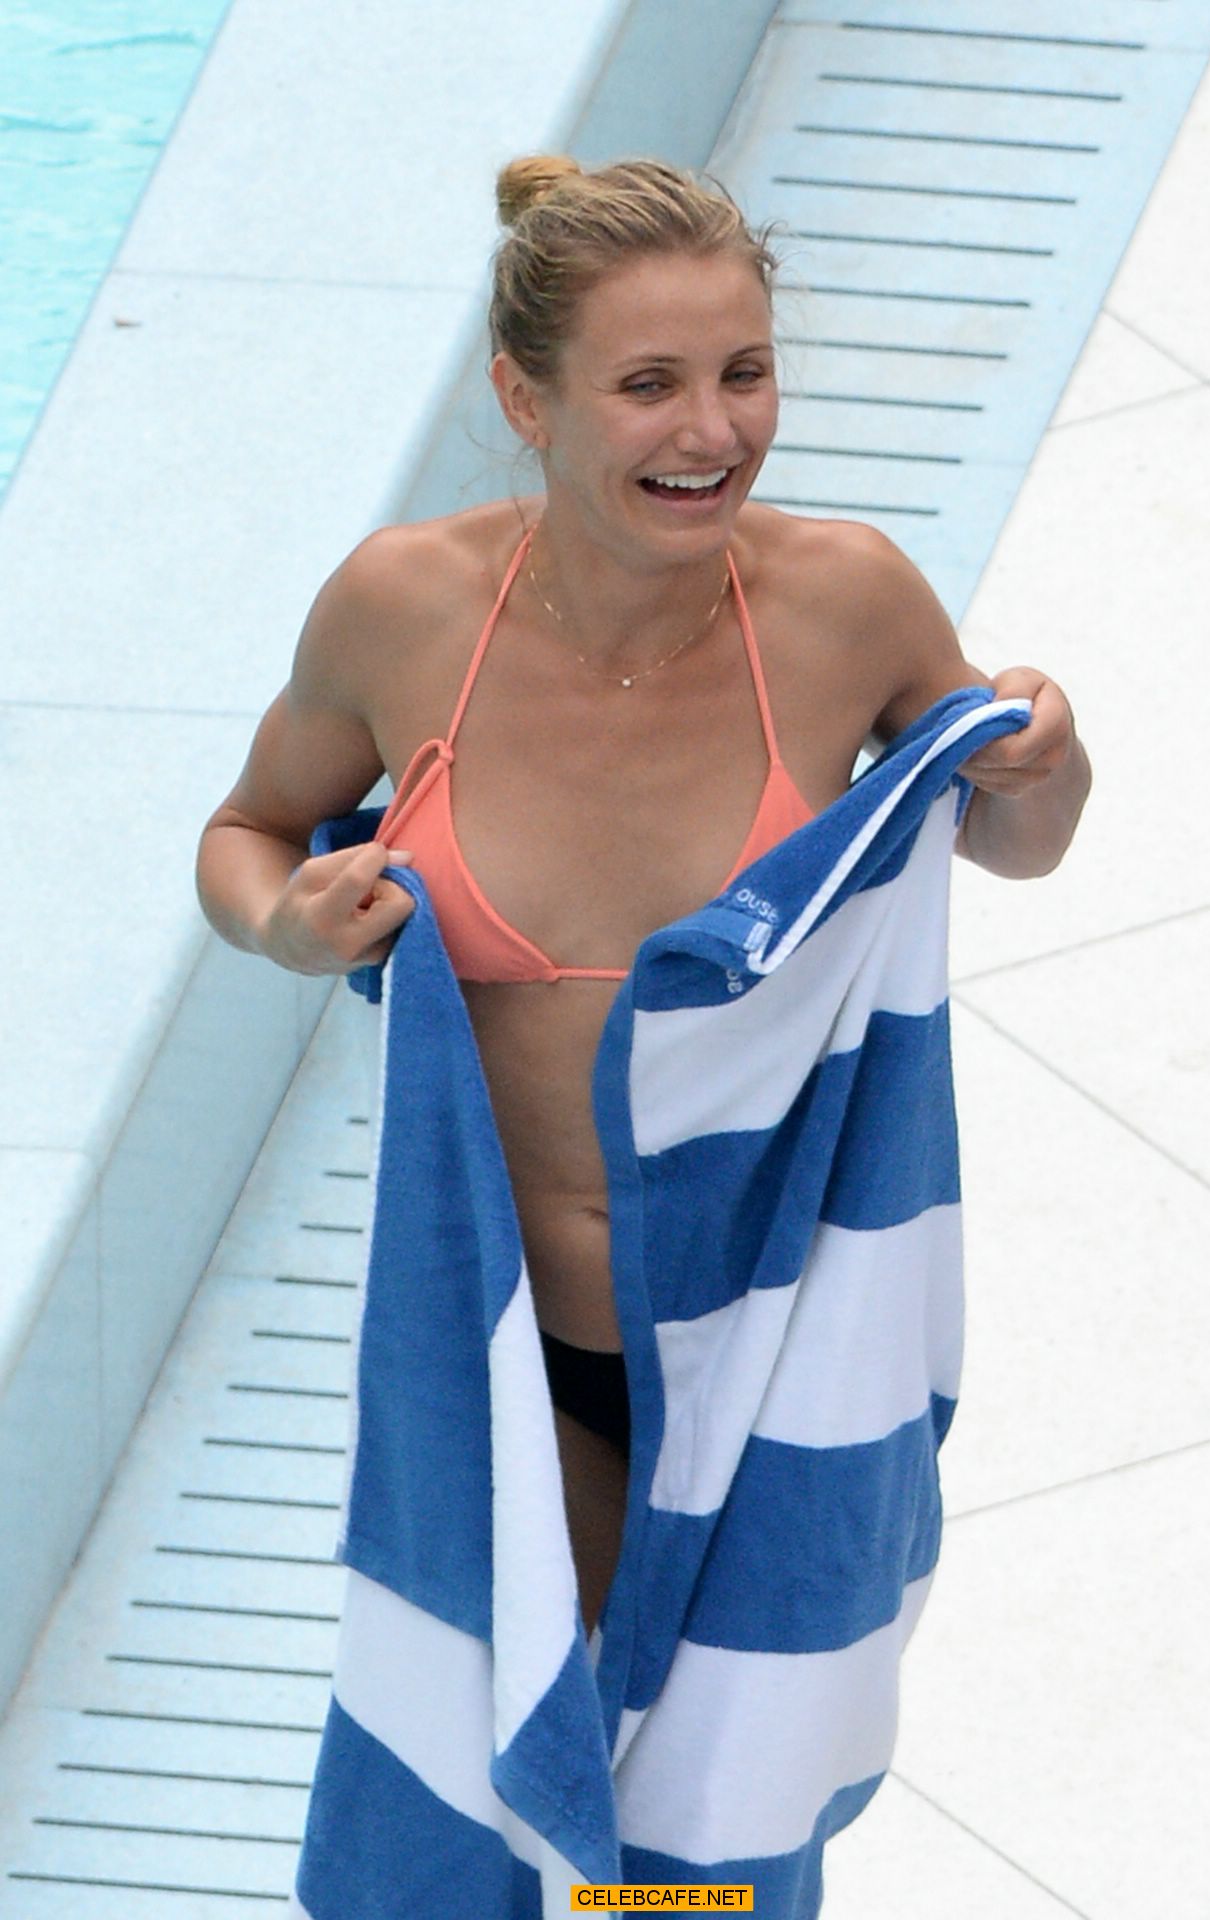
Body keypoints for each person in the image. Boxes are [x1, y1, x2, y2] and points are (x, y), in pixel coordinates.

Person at [196, 154, 1090, 1648]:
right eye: (648, 386)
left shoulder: (845, 602)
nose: (712, 432)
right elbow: (247, 831)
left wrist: (1042, 758)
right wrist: (284, 922)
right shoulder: (405, 611)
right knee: (543, 1749)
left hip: (783, 1337)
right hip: (517, 1337)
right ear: (525, 398)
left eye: (745, 372)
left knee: (747, 1771)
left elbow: (1018, 840)